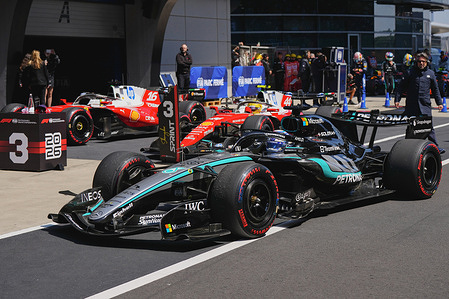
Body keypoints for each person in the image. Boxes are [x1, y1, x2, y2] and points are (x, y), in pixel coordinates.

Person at [395, 52, 445, 154]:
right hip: (412, 105)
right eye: (419, 61)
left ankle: (435, 147)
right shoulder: (410, 72)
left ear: (427, 62)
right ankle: (407, 147)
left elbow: (435, 90)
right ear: (416, 62)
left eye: (423, 61)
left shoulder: (430, 73)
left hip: (425, 105)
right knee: (411, 127)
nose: (421, 63)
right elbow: (401, 87)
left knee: (429, 126)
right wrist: (397, 99)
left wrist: (439, 103)